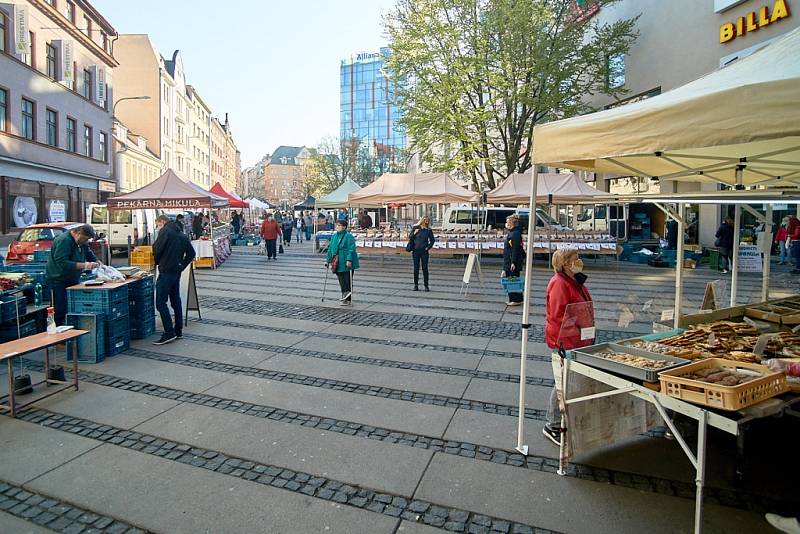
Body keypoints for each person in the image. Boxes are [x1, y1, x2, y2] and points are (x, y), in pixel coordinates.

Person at [543, 248, 594, 445]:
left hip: (579, 338)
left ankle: (561, 419)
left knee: (566, 381)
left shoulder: (574, 280)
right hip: (565, 340)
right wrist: (577, 330)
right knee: (562, 383)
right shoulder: (559, 284)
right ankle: (553, 424)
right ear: (565, 264)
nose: (579, 261)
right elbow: (559, 316)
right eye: (575, 259)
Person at [152, 215, 196, 345]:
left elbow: (156, 249)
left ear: (162, 222)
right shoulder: (181, 235)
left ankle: (169, 332)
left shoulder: (165, 231)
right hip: (176, 271)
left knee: (160, 302)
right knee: (176, 301)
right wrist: (181, 265)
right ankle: (178, 330)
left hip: (166, 270)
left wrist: (157, 261)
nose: (158, 226)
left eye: (158, 224)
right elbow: (191, 253)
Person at [45, 224, 100, 326]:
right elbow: (62, 262)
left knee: (71, 307)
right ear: (78, 233)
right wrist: (85, 265)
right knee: (59, 309)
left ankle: (68, 329)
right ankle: (57, 332)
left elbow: (88, 253)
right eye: (85, 239)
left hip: (72, 278)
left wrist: (99, 264)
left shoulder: (81, 242)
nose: (85, 241)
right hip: (58, 279)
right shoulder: (64, 241)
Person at [325, 218, 359, 306]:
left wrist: (349, 259)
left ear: (344, 227)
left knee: (347, 280)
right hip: (337, 261)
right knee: (341, 280)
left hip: (346, 261)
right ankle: (344, 296)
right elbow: (330, 249)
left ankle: (348, 299)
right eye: (337, 225)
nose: (337, 227)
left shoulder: (349, 236)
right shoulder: (334, 236)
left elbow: (351, 249)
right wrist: (327, 260)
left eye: (339, 225)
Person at [503, 214, 525, 306]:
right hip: (510, 261)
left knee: (512, 281)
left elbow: (515, 249)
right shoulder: (513, 232)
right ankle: (518, 298)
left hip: (512, 262)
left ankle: (515, 299)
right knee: (513, 280)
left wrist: (513, 262)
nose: (506, 224)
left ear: (512, 223)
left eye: (507, 222)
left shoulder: (515, 234)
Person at [409, 216, 435, 291]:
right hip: (416, 251)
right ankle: (416, 285)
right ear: (422, 221)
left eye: (428, 221)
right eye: (426, 221)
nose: (427, 222)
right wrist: (414, 233)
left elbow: (432, 240)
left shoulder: (428, 230)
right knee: (416, 268)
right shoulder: (416, 228)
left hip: (424, 251)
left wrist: (428, 247)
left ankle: (426, 285)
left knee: (425, 268)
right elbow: (410, 237)